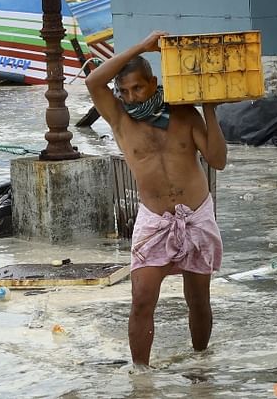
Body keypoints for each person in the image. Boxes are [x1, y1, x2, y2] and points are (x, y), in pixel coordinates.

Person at [85, 30, 228, 369]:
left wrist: (209, 110)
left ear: (152, 83)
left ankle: (200, 367)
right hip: (154, 221)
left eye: (138, 88)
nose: (131, 96)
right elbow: (93, 82)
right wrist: (140, 46)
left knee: (198, 300)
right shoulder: (120, 119)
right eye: (124, 91)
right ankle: (141, 376)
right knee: (141, 300)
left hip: (196, 216)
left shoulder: (183, 114)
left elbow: (218, 160)